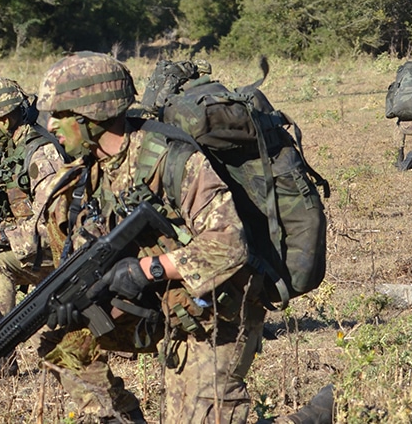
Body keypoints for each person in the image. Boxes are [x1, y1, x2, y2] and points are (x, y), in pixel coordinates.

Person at [33, 51, 261, 424]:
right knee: (60, 343)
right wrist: (76, 302)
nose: (51, 126)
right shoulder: (86, 176)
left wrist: (148, 269)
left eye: (60, 115)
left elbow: (230, 243)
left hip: (217, 312)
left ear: (90, 117)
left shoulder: (171, 159)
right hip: (160, 306)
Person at [0, 77, 67, 357]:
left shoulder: (41, 154)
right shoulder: (10, 152)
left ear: (3, 120)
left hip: (62, 249)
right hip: (36, 243)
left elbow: (50, 225)